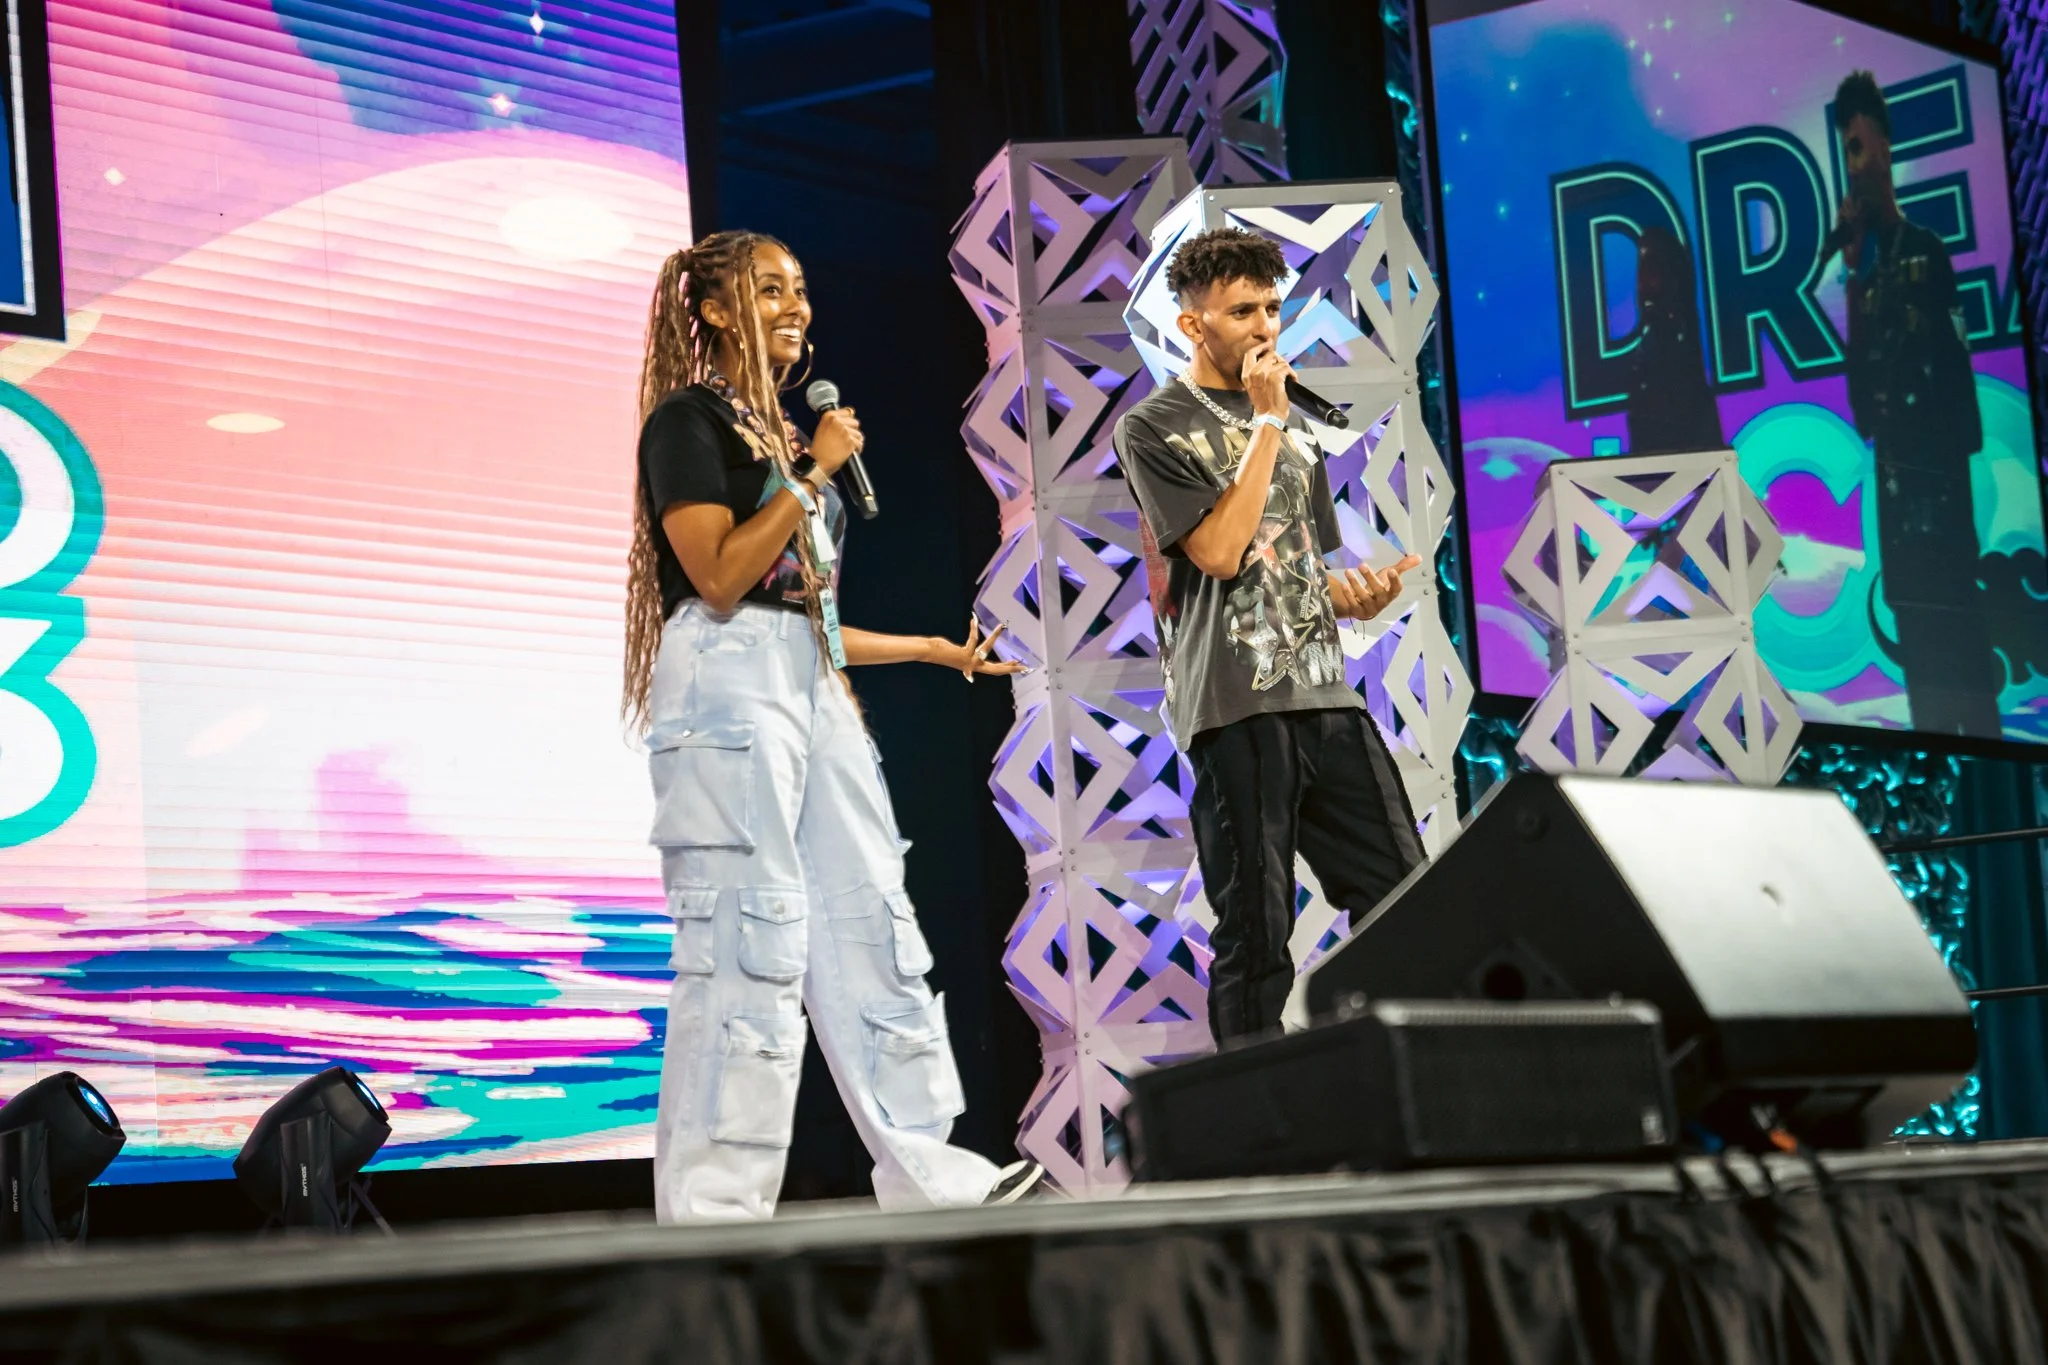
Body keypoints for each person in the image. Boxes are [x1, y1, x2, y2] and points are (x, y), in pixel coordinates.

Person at [622, 229, 1042, 1221]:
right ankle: (714, 1213)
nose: (794, 306)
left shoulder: (776, 435)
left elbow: (803, 619)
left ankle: (931, 1176)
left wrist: (932, 651)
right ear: (713, 310)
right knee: (745, 937)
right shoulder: (687, 423)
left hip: (803, 680)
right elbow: (721, 578)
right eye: (767, 289)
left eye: (799, 289)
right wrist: (811, 473)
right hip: (723, 687)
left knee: (869, 921)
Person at [1111, 227, 1427, 1048]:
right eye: (1242, 311)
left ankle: (1409, 1074)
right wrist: (1262, 425)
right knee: (1257, 933)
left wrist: (1354, 596)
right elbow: (1218, 553)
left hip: (1326, 695)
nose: (1263, 327)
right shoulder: (1154, 426)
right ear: (1194, 325)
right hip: (1236, 709)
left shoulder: (1292, 426)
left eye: (1272, 309)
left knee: (1409, 899)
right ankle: (1254, 1108)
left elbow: (1289, 566)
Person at [1829, 70, 2000, 737]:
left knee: (1966, 673)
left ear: (1886, 147)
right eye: (1847, 151)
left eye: (1861, 146)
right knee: (1924, 686)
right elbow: (1861, 407)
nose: (1856, 165)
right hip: (1899, 513)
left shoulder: (1928, 251)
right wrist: (1853, 277)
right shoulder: (1864, 277)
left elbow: (1957, 381)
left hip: (1942, 507)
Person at [1624, 226, 1725, 457]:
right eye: (1642, 270)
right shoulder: (1644, 357)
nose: (1644, 284)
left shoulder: (1684, 365)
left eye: (1653, 268)